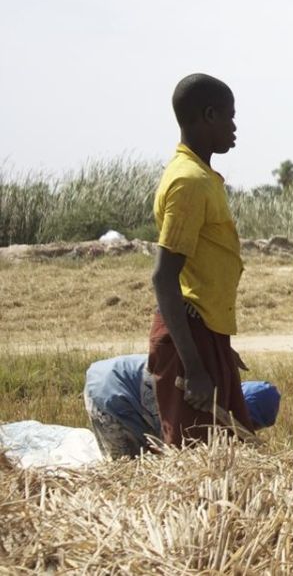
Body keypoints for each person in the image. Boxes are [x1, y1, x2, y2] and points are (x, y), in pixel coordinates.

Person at [149, 73, 255, 446]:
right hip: (188, 344)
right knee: (199, 466)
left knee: (233, 456)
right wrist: (194, 367)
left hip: (204, 333)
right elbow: (164, 277)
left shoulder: (204, 177)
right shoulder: (189, 182)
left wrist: (218, 346)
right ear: (209, 115)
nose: (235, 126)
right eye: (229, 116)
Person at [83, 354, 281, 458]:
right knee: (127, 469)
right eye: (253, 425)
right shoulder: (203, 399)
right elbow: (173, 442)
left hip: (112, 377)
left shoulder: (219, 388)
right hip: (111, 391)